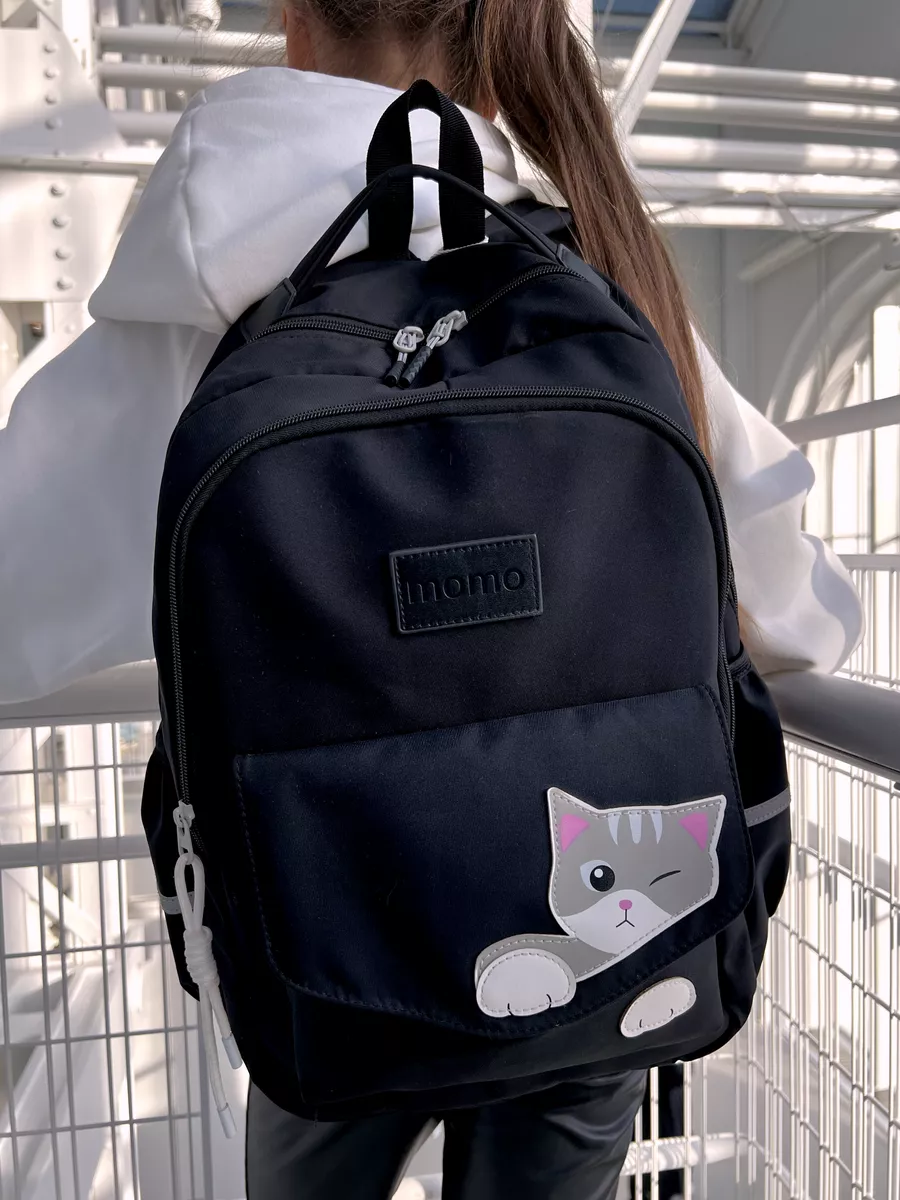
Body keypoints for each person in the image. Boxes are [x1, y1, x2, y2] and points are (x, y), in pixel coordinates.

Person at [0, 0, 863, 1196]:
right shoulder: (595, 259)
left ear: (295, 20)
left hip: (329, 929)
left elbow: (20, 597)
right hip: (609, 950)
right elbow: (794, 606)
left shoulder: (195, 293)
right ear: (497, 43)